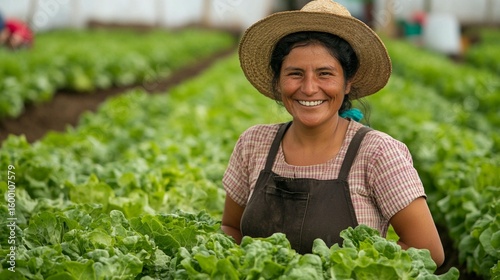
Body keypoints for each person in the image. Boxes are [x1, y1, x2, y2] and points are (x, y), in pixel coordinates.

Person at [221, 0, 445, 267]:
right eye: (295, 73)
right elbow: (231, 228)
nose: (309, 88)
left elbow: (428, 250)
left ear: (348, 82)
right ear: (279, 81)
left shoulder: (377, 153)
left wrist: (346, 269)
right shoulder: (253, 143)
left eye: (325, 74)